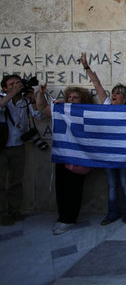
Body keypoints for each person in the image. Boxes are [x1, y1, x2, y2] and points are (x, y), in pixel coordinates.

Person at [80, 53, 126, 225]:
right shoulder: (106, 105)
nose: (113, 95)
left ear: (124, 98)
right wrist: (86, 67)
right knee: (112, 186)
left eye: (118, 94)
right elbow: (97, 85)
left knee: (125, 184)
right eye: (113, 92)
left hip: (123, 154)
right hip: (107, 153)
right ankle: (112, 214)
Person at [36, 84, 93, 235]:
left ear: (83, 100)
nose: (71, 99)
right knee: (61, 187)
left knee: (74, 188)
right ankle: (62, 217)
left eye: (76, 98)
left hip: (79, 156)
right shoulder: (62, 110)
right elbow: (41, 108)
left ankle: (69, 219)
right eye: (70, 97)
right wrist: (41, 94)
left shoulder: (87, 112)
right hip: (63, 154)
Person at [0, 75, 43, 226]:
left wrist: (33, 98)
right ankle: (2, 213)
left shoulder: (24, 101)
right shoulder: (2, 98)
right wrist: (11, 94)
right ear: (5, 88)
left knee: (16, 181)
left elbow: (38, 114)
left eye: (18, 83)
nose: (17, 86)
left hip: (18, 145)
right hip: (2, 146)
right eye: (12, 84)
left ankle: (14, 209)